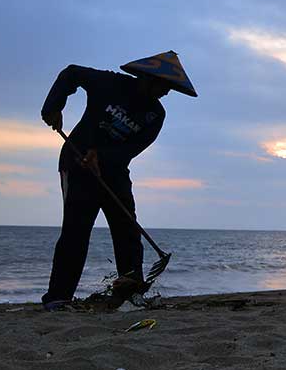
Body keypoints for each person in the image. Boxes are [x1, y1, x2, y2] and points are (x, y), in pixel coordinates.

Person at [39, 51, 198, 311]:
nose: (166, 92)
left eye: (170, 88)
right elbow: (71, 73)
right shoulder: (109, 83)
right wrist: (53, 107)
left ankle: (129, 291)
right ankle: (58, 297)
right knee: (76, 231)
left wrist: (101, 157)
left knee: (127, 229)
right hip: (76, 163)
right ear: (146, 78)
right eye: (163, 86)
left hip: (113, 171)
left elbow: (132, 149)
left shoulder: (155, 115)